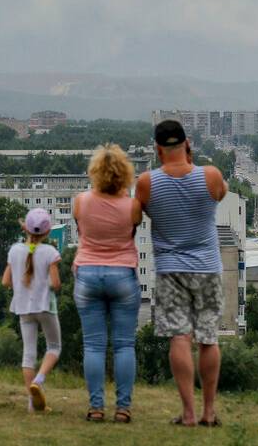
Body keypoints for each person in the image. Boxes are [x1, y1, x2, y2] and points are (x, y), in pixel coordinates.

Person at [136, 120, 228, 428]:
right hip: (207, 267)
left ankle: (188, 413)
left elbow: (138, 213)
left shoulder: (147, 182)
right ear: (187, 143)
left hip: (170, 269)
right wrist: (191, 161)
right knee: (208, 338)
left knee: (180, 336)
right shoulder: (210, 175)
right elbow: (221, 193)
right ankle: (209, 412)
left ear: (157, 148)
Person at [71, 144, 142, 423]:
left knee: (93, 346)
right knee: (124, 345)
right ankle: (123, 408)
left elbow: (81, 228)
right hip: (122, 274)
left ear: (95, 172)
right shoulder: (132, 206)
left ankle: (96, 407)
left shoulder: (81, 202)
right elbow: (133, 228)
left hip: (88, 274)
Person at [1, 207, 62, 413]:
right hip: (46, 307)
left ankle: (32, 403)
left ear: (25, 228)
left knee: (28, 355)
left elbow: (5, 281)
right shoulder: (50, 252)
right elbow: (56, 284)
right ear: (47, 232)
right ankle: (39, 380)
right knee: (54, 347)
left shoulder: (14, 250)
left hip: (23, 308)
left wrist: (22, 286)